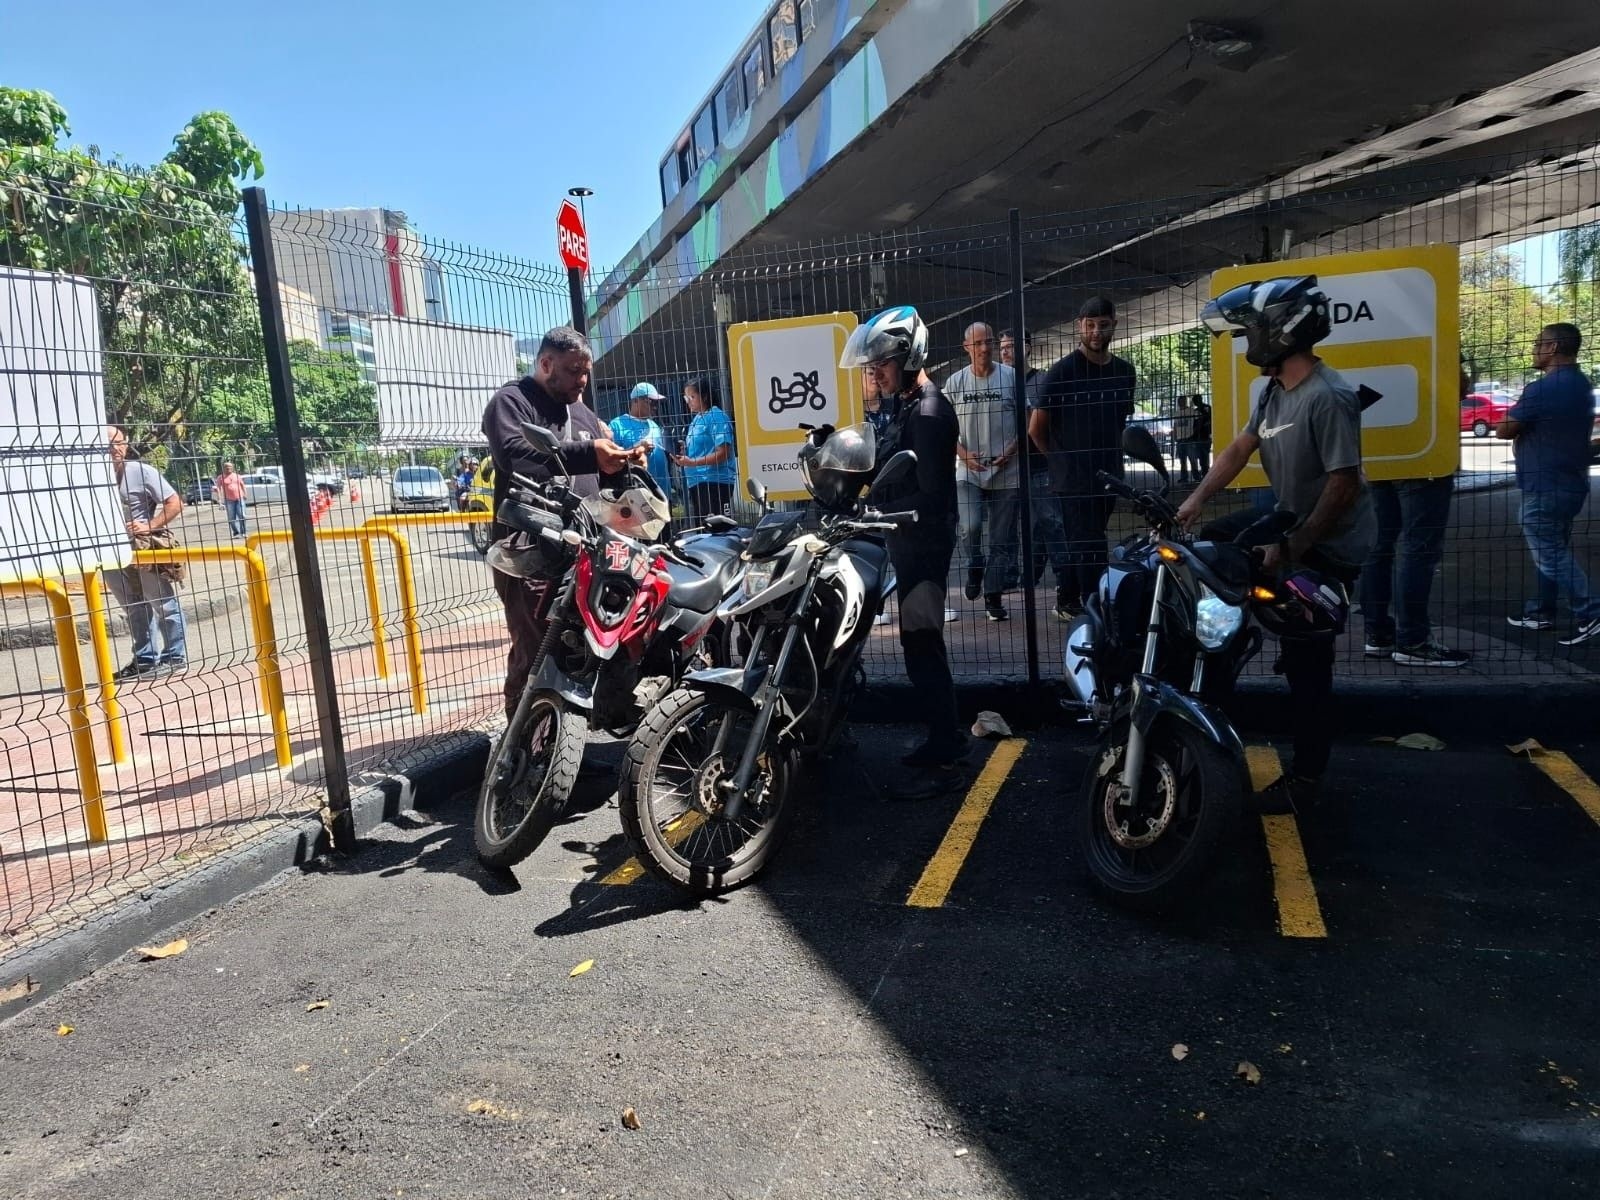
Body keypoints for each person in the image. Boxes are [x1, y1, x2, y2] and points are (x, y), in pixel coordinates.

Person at [1178, 275, 1377, 812]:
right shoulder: (1273, 390)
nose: (1246, 343)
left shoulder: (1329, 397)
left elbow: (1344, 484)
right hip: (1289, 519)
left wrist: (1291, 548)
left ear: (1281, 332)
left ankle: (1308, 777)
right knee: (1214, 547)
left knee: (1309, 661)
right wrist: (1194, 502)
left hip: (1326, 545)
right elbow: (1239, 448)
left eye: (1250, 333)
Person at [482, 326, 642, 715]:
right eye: (573, 371)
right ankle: (521, 757)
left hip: (584, 550)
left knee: (579, 651)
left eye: (585, 371)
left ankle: (563, 756)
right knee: (536, 651)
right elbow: (516, 454)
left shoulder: (582, 412)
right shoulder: (511, 401)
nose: (582, 380)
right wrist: (591, 452)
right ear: (546, 363)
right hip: (530, 552)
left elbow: (596, 472)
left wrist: (624, 461)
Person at [838, 304, 966, 776]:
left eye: (883, 363)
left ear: (910, 357)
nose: (874, 372)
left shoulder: (929, 412)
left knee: (923, 642)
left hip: (924, 543)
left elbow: (927, 495)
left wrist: (872, 512)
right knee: (919, 642)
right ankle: (944, 736)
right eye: (872, 364)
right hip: (908, 540)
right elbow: (886, 462)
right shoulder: (909, 406)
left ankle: (946, 741)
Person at [1027, 296, 1136, 621]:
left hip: (1109, 475)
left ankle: (1067, 598)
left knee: (1087, 539)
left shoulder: (1124, 373)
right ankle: (1097, 612)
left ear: (1114, 325)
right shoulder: (1062, 372)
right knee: (1091, 547)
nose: (1096, 332)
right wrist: (1060, 461)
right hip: (1073, 479)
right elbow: (1036, 429)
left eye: (1103, 324)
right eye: (1090, 325)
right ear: (1080, 327)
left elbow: (1119, 424)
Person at [1359, 361, 1470, 668]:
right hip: (1424, 448)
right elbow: (1457, 388)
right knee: (1418, 547)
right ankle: (1413, 639)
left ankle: (1378, 633)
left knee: (1379, 546)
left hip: (1377, 449)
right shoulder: (1431, 326)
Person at [1499, 322, 1600, 646]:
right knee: (1553, 548)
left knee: (1550, 554)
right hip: (1571, 482)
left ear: (1553, 348)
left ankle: (1591, 611)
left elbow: (1504, 429)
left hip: (1543, 485)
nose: (1533, 349)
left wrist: (1515, 417)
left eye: (1538, 343)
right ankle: (1541, 611)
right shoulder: (1582, 385)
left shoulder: (1541, 389)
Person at [947, 322, 1020, 621]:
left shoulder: (1011, 377)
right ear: (966, 348)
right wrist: (963, 454)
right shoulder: (954, 383)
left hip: (1007, 469)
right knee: (971, 525)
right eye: (977, 344)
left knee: (1002, 540)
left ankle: (993, 595)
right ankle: (974, 563)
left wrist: (1010, 452)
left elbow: (1027, 421)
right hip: (968, 470)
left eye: (988, 342)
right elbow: (944, 428)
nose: (984, 348)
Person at [105, 427, 188, 678]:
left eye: (118, 443)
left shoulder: (140, 471)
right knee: (132, 606)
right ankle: (144, 659)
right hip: (110, 551)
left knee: (162, 603)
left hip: (143, 549)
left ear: (126, 444)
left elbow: (175, 502)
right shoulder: (92, 477)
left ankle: (175, 657)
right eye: (107, 444)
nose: (113, 449)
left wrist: (150, 525)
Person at [1001, 327, 1068, 590]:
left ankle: (1065, 577)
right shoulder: (1000, 382)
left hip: (1038, 463)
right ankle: (1018, 578)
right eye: (1003, 347)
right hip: (1007, 468)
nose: (1006, 351)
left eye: (1012, 346)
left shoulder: (1041, 381)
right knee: (1013, 527)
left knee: (1050, 521)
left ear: (1027, 347)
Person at [673, 376, 737, 518]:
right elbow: (701, 449)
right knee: (703, 532)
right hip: (697, 482)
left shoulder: (716, 416)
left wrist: (692, 462)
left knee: (718, 530)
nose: (688, 401)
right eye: (686, 398)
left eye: (692, 397)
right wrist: (685, 450)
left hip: (715, 482)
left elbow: (723, 453)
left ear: (705, 396)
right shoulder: (696, 419)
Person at [610, 383, 673, 499]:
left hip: (661, 493)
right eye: (650, 402)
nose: (655, 406)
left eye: (656, 402)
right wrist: (638, 448)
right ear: (635, 401)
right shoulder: (616, 425)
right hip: (637, 495)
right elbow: (611, 459)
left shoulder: (654, 425)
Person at [214, 461, 246, 537]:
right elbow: (218, 488)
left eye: (230, 467)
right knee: (231, 517)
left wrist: (245, 494)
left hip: (239, 498)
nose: (228, 468)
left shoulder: (237, 476)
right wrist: (220, 500)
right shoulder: (220, 477)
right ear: (223, 468)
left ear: (232, 468)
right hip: (229, 500)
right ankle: (235, 532)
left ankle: (243, 532)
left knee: (242, 515)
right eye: (226, 467)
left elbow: (242, 485)